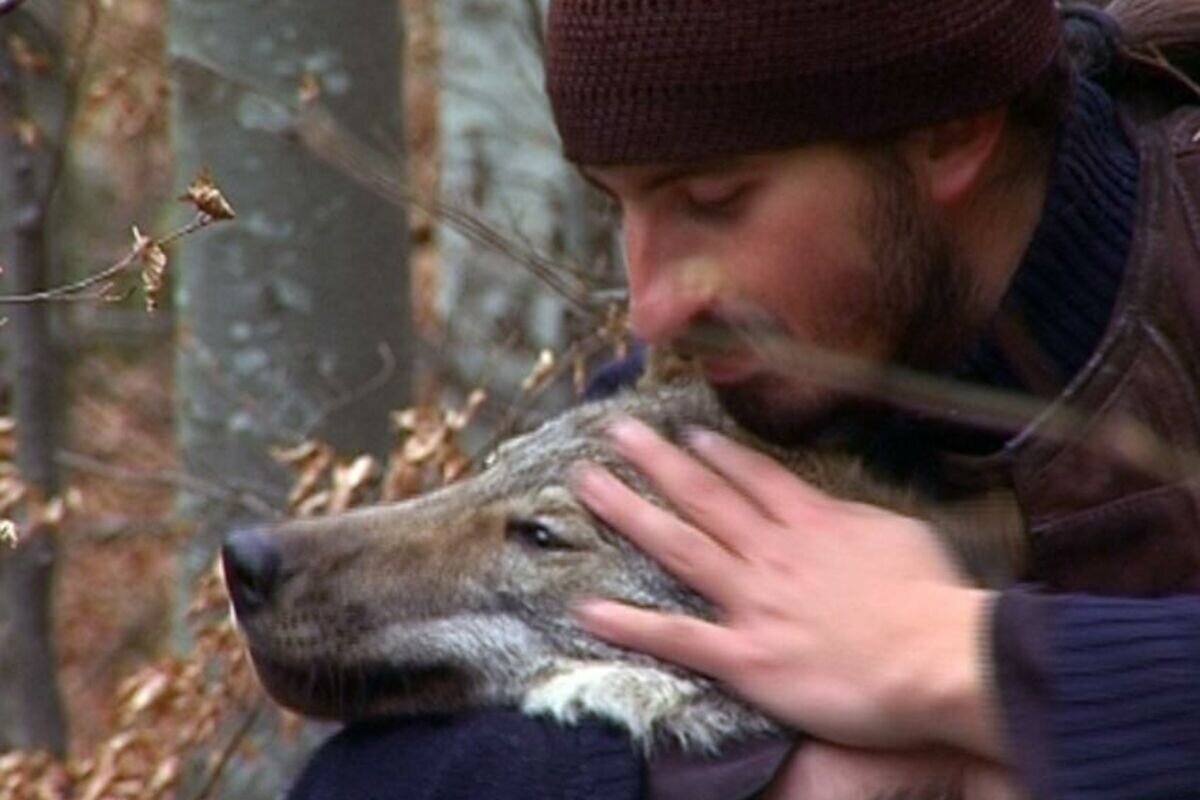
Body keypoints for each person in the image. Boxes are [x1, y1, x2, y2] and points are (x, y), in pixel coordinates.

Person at [289, 2, 1200, 798]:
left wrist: (962, 656)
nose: (651, 306)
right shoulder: (761, 380)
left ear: (952, 132)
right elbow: (373, 780)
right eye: (620, 207)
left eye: (715, 200)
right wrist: (831, 783)